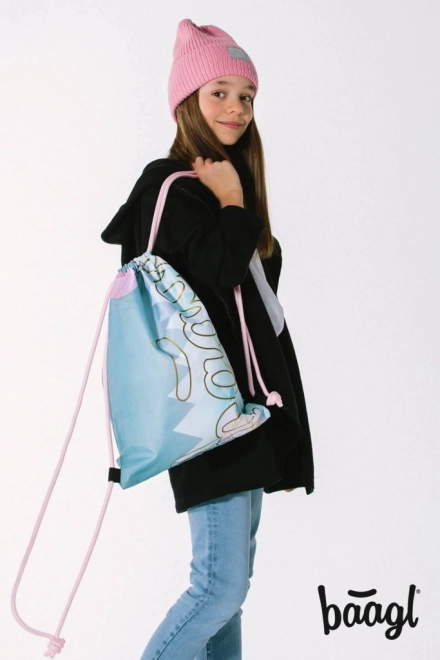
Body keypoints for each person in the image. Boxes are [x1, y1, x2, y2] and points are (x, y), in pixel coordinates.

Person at [101, 18, 315, 660]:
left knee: (229, 593)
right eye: (219, 92)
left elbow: (250, 303)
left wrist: (237, 204)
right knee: (216, 589)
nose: (236, 108)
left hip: (242, 410)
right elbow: (216, 274)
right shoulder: (173, 187)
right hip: (207, 410)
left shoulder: (220, 187)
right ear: (187, 100)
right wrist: (233, 205)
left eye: (246, 96)